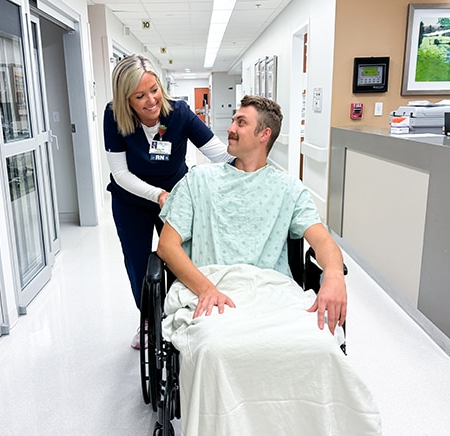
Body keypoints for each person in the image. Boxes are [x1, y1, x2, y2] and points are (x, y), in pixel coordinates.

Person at [157, 95, 381, 435]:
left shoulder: (288, 188)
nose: (229, 128)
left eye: (240, 123)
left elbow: (322, 240)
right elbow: (167, 247)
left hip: (272, 292)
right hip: (214, 289)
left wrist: (334, 274)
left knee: (319, 345)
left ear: (264, 135)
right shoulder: (198, 181)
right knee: (215, 350)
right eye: (232, 120)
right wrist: (206, 288)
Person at [103, 54, 232, 349]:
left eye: (154, 90)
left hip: (175, 197)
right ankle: (147, 319)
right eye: (140, 95)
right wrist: (157, 194)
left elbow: (219, 154)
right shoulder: (114, 117)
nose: (151, 100)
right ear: (126, 100)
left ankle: (177, 314)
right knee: (137, 262)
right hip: (131, 200)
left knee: (178, 257)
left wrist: (251, 153)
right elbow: (120, 173)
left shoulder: (179, 114)